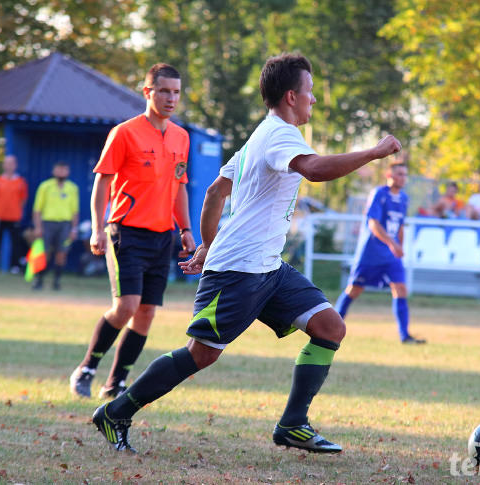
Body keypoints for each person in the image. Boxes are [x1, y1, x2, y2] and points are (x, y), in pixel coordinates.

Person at [91, 53, 402, 454]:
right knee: (200, 355)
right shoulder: (279, 136)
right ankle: (116, 411)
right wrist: (373, 153)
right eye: (310, 93)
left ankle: (292, 424)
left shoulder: (263, 134)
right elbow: (315, 169)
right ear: (291, 96)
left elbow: (215, 192)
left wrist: (206, 244)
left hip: (267, 267)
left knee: (330, 327)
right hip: (239, 270)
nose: (313, 100)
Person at [69, 63, 196, 400]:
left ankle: (116, 382)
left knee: (146, 312)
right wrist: (97, 228)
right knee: (126, 305)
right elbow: (102, 180)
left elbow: (179, 186)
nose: (171, 98)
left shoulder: (182, 137)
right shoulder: (125, 133)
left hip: (162, 236)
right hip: (126, 232)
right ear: (148, 92)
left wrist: (185, 228)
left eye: (176, 92)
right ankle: (87, 369)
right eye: (165, 91)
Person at [334, 163, 424, 344]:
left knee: (400, 288)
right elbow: (373, 223)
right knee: (354, 290)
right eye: (399, 173)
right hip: (371, 253)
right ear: (388, 174)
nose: (402, 177)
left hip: (391, 254)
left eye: (405, 174)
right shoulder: (379, 194)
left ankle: (405, 336)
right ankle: (330, 327)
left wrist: (400, 246)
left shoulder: (404, 198)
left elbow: (399, 225)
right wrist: (392, 243)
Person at [32, 161, 79, 290]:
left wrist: (74, 229)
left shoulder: (72, 188)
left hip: (64, 224)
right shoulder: (45, 186)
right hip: (47, 223)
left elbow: (75, 211)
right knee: (44, 253)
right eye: (59, 169)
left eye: (64, 170)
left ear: (68, 172)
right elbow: (37, 209)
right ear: (54, 171)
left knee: (61, 254)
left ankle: (56, 281)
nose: (61, 172)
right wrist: (38, 227)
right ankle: (39, 280)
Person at [0, 155, 28, 274]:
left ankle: (15, 266)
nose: (9, 166)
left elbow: (23, 199)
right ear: (3, 165)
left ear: (15, 165)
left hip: (14, 216)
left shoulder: (20, 181)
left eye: (11, 163)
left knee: (15, 242)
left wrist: (17, 211)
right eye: (6, 163)